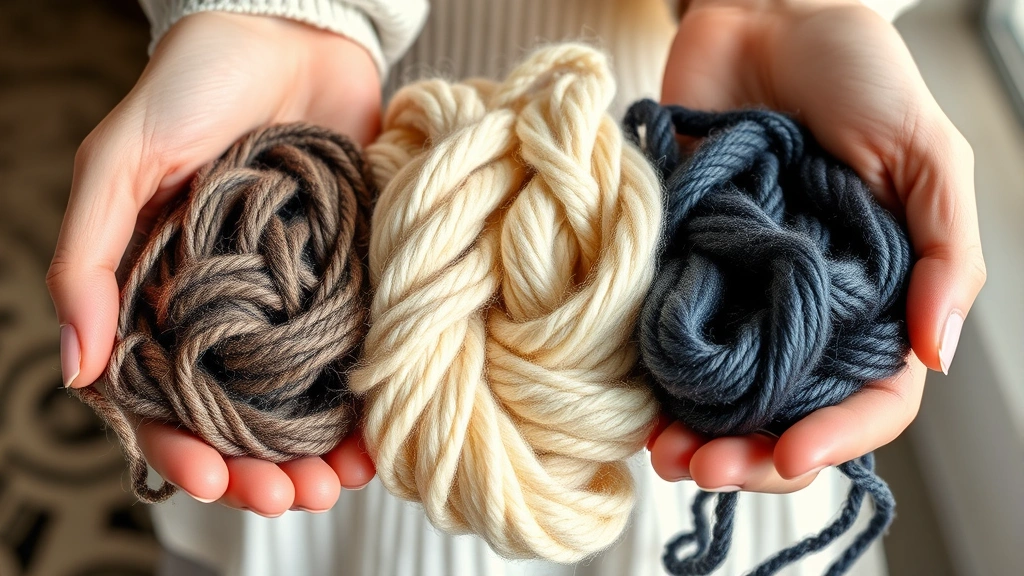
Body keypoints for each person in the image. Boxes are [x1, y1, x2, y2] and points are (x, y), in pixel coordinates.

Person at [47, 0, 986, 574]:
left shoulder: (712, 291)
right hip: (370, 221)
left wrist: (789, 6)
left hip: (654, 214)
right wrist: (280, 10)